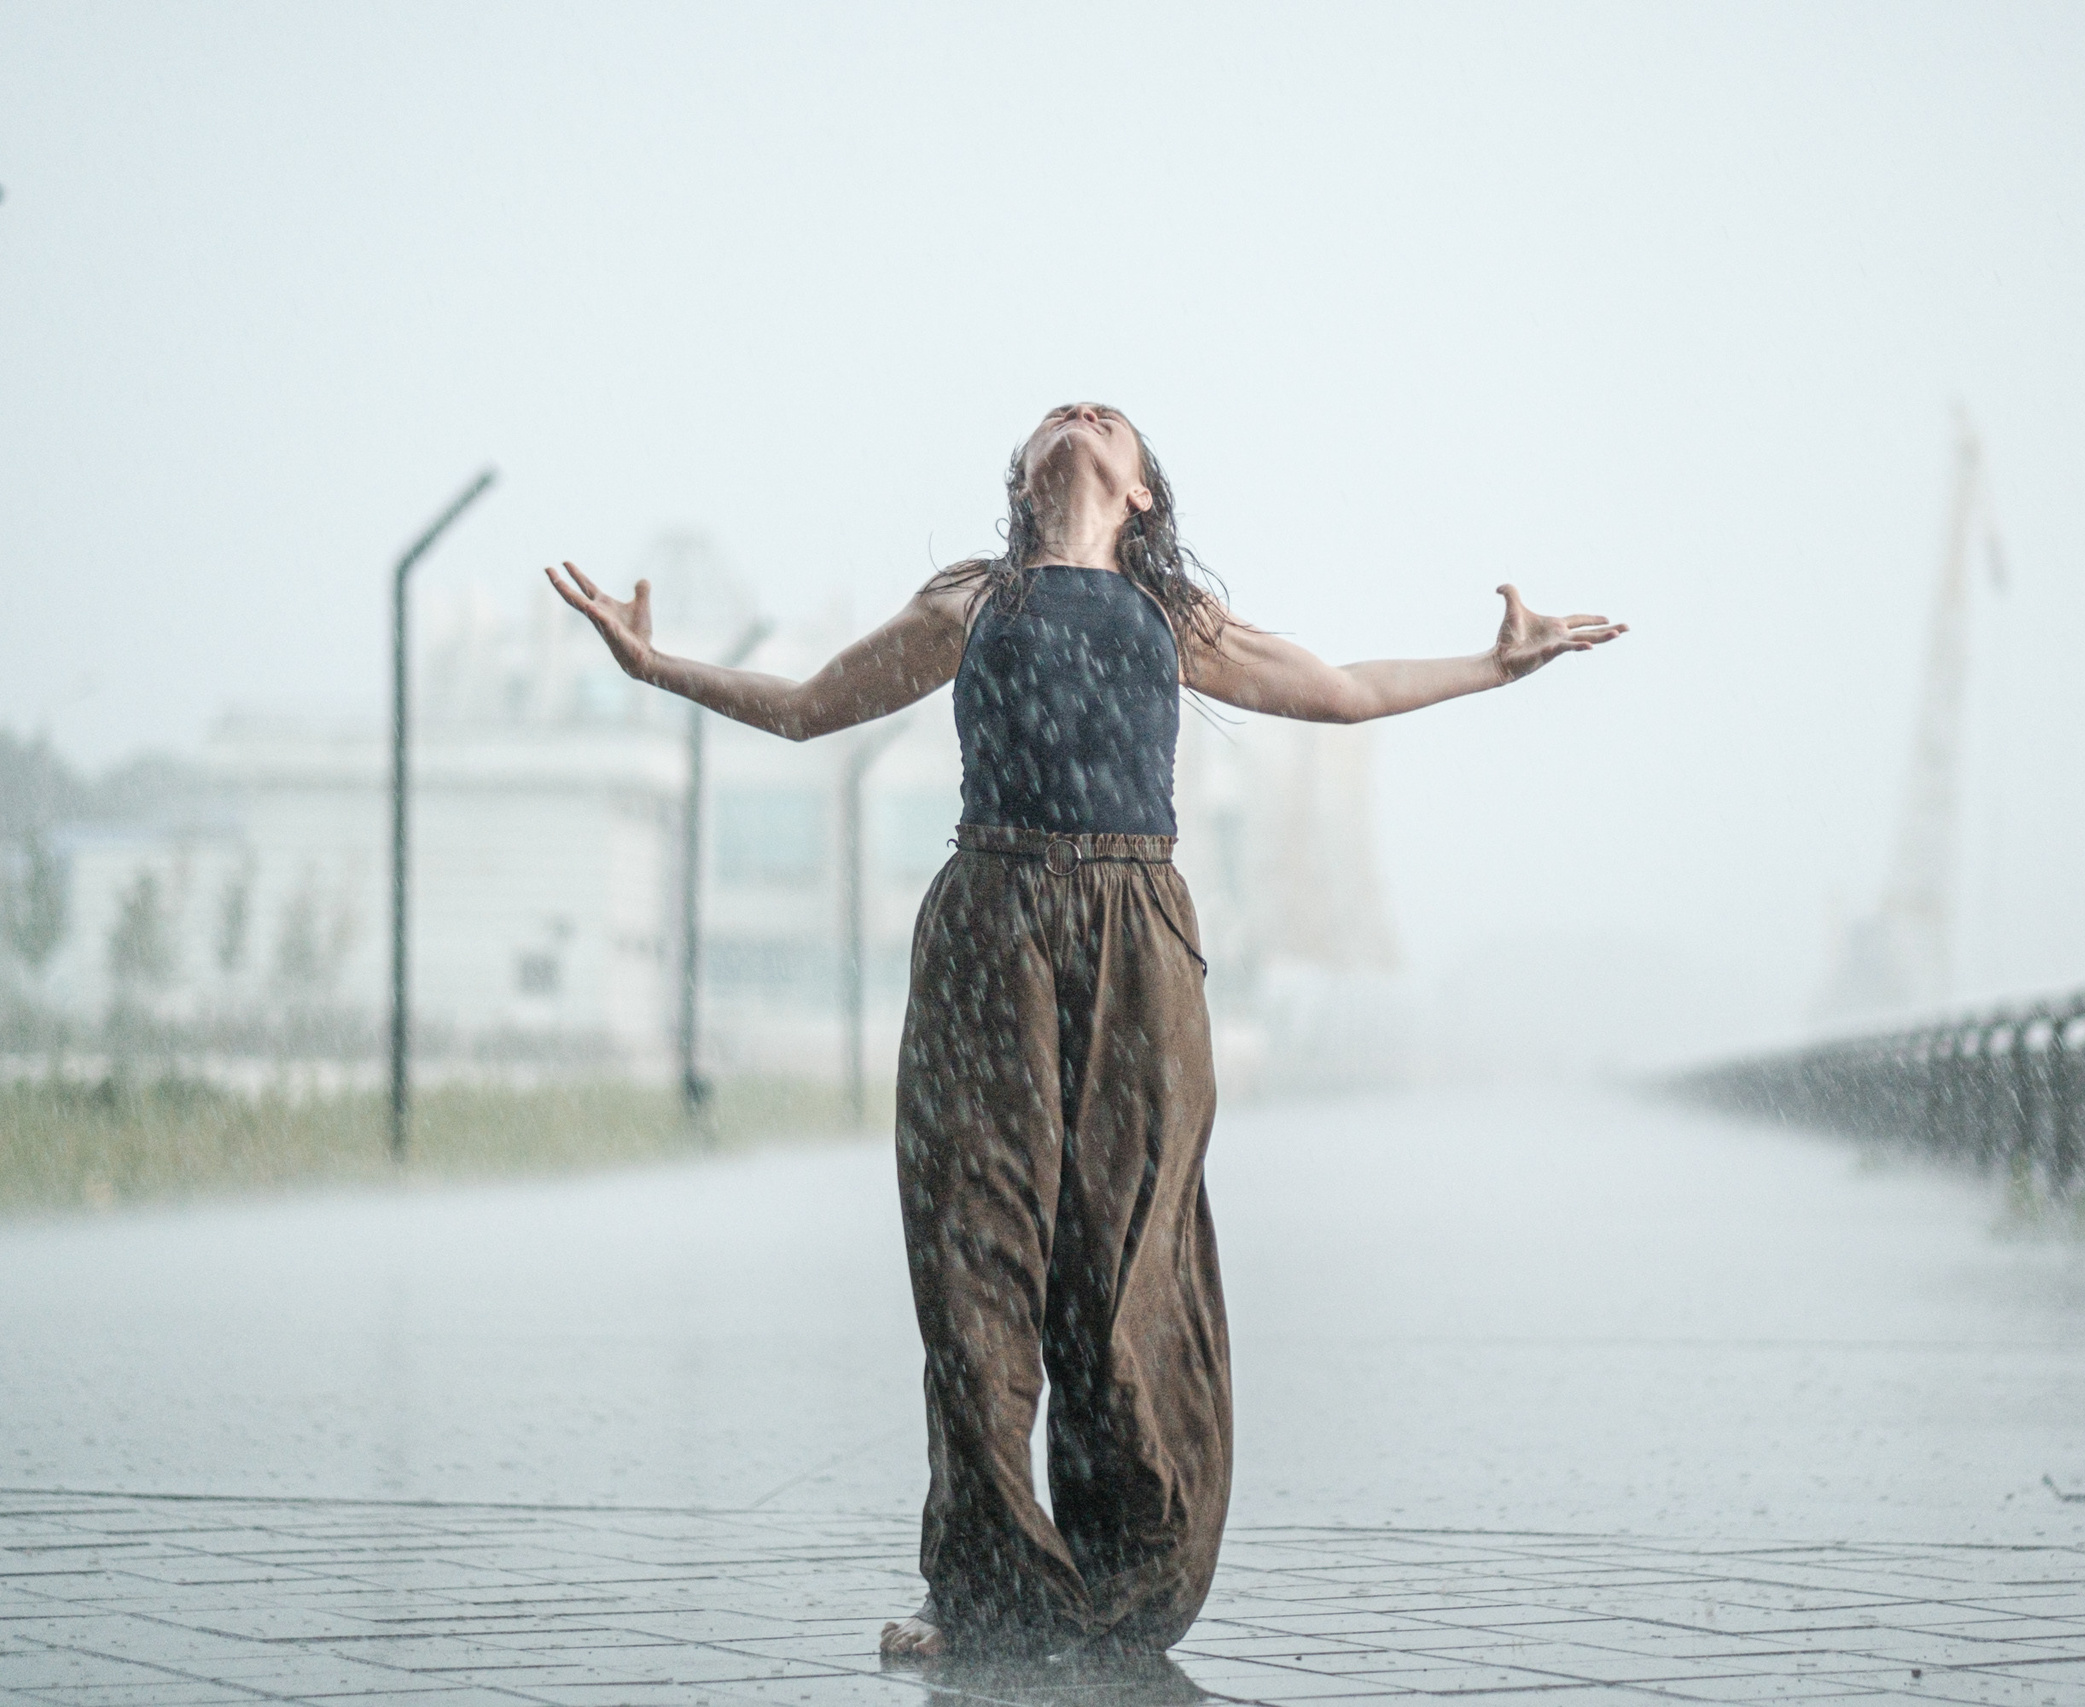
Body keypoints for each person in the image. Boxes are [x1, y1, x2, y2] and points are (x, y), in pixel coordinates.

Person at [545, 403, 1624, 1659]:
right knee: (975, 1262)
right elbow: (801, 709)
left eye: (1111, 417)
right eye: (1066, 408)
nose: (1085, 411)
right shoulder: (971, 601)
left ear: (1142, 496)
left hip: (1137, 936)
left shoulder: (1173, 620)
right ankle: (992, 1597)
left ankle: (1123, 1584)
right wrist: (652, 664)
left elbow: (1339, 693)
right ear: (1033, 474)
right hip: (987, 926)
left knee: (1127, 1270)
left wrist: (1496, 665)